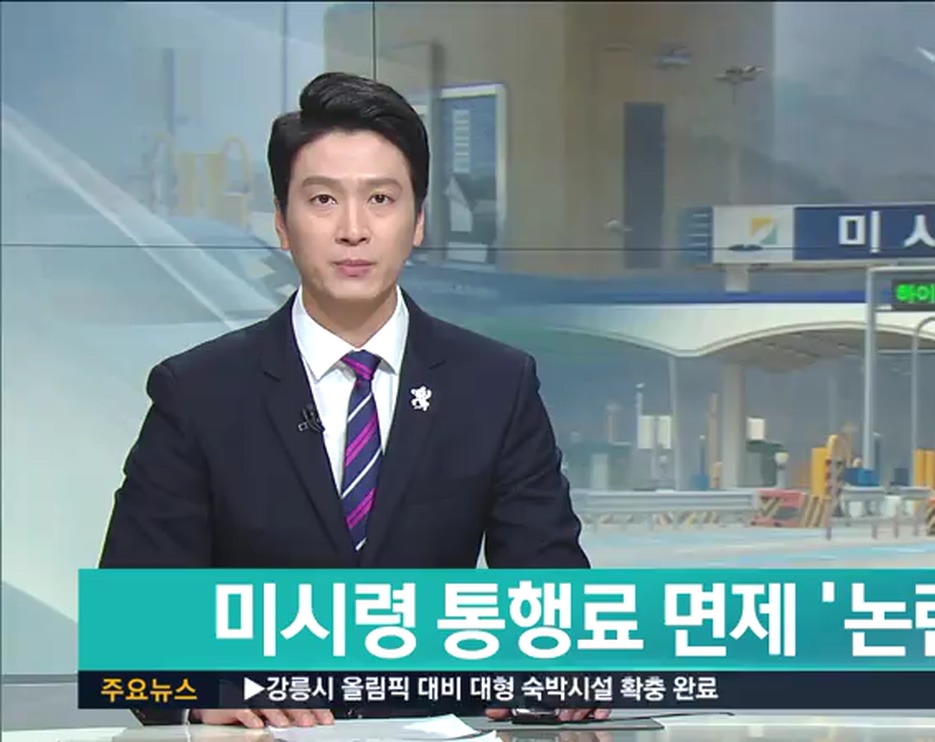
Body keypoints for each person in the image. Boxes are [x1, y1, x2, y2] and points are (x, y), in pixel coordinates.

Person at [99, 72, 606, 728]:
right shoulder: (198, 391)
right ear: (282, 223)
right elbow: (131, 626)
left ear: (418, 221)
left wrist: (562, 667)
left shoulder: (494, 384)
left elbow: (550, 595)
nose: (353, 229)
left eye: (381, 199)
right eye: (322, 200)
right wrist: (206, 688)